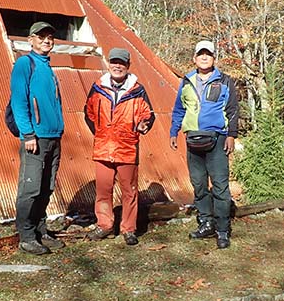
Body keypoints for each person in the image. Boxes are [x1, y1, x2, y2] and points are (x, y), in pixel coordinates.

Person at [169, 40, 239, 249]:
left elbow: (233, 109)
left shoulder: (225, 81)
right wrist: (174, 131)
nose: (204, 57)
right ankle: (206, 223)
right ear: (195, 58)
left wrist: (231, 135)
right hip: (193, 139)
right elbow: (179, 109)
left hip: (217, 139)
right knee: (199, 185)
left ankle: (222, 230)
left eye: (208, 54)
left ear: (213, 58)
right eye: (201, 54)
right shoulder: (187, 81)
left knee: (220, 186)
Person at [84, 47, 155, 246]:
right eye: (114, 62)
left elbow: (148, 115)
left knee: (129, 191)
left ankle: (129, 229)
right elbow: (87, 112)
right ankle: (105, 226)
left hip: (127, 149)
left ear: (128, 66)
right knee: (103, 190)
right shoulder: (98, 87)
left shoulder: (138, 90)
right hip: (103, 149)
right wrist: (100, 134)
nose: (117, 66)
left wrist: (143, 126)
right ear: (108, 64)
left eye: (122, 63)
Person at [10, 21, 65, 255]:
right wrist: (28, 134)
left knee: (46, 187)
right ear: (30, 40)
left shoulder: (48, 67)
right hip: (36, 138)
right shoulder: (25, 63)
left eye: (50, 36)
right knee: (30, 188)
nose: (46, 40)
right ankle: (26, 235)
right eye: (41, 36)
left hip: (53, 137)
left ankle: (41, 230)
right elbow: (19, 102)